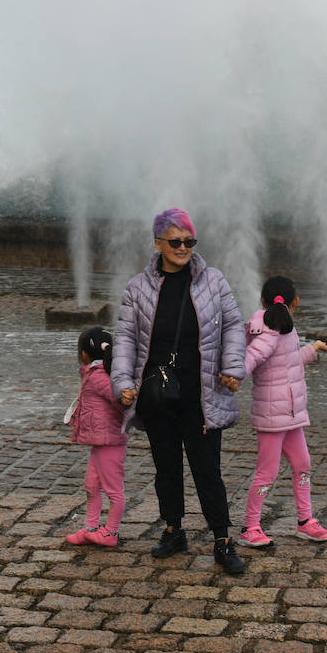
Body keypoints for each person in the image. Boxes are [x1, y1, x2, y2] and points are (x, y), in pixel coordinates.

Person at [111, 208, 248, 576]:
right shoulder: (138, 288)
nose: (183, 247)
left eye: (189, 241)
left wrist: (233, 367)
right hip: (159, 394)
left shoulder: (213, 281)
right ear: (158, 244)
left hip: (202, 396)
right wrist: (122, 383)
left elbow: (234, 325)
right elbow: (124, 339)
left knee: (208, 471)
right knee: (166, 468)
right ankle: (173, 531)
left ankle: (222, 540)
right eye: (175, 242)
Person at [237, 275, 327, 549]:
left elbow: (289, 362)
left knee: (302, 464)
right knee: (266, 473)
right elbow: (251, 358)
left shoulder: (285, 328)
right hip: (272, 417)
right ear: (296, 302)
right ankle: (250, 526)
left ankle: (305, 521)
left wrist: (313, 348)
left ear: (263, 300)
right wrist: (233, 378)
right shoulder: (267, 331)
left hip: (291, 414)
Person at [63, 326, 128, 547]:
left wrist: (125, 399)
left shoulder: (100, 376)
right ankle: (91, 527)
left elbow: (120, 400)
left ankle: (111, 532)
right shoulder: (94, 373)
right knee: (91, 485)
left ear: (84, 353)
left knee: (113, 489)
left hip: (109, 441)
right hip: (99, 441)